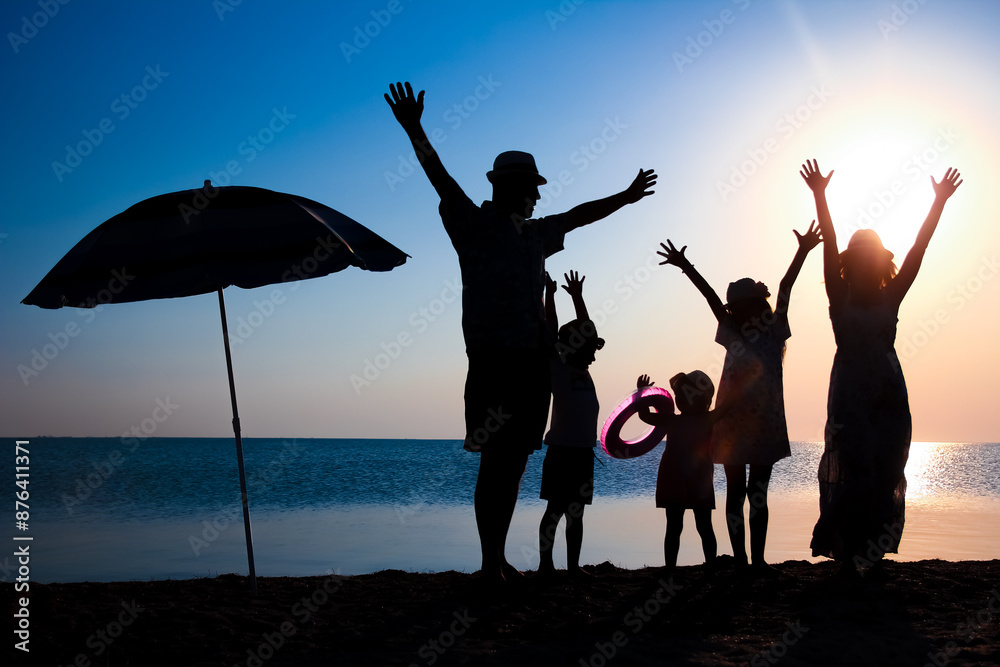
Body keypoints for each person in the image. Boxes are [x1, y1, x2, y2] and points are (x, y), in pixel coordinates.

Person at [385, 81, 656, 588]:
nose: (536, 197)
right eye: (532, 188)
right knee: (496, 463)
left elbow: (577, 217)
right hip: (494, 363)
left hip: (531, 364)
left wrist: (624, 196)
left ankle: (498, 560)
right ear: (511, 187)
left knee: (511, 467)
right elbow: (441, 180)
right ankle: (490, 563)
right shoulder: (473, 226)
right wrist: (414, 127)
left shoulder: (535, 236)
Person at [800, 159, 962, 575]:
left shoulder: (892, 296)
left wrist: (938, 202)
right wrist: (820, 195)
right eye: (859, 258)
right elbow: (831, 242)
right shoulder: (839, 296)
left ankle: (870, 550)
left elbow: (918, 249)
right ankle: (849, 549)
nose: (865, 263)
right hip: (850, 394)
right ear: (849, 264)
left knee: (886, 469)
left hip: (889, 395)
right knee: (854, 468)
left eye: (871, 257)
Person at [657, 222, 821, 574]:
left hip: (754, 425)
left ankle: (752, 560)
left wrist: (803, 252)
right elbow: (721, 298)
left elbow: (779, 289)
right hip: (749, 425)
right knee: (747, 493)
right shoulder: (755, 332)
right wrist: (687, 268)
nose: (740, 313)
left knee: (746, 493)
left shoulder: (764, 331)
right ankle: (750, 561)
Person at [538, 270, 603, 577]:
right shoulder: (559, 368)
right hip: (562, 452)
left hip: (583, 453)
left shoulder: (584, 369)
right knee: (554, 510)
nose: (594, 352)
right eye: (589, 347)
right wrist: (551, 295)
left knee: (575, 514)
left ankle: (573, 568)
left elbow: (587, 332)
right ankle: (546, 565)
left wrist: (577, 296)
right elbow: (551, 331)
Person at [636, 371, 719, 573]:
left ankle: (706, 566)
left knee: (700, 525)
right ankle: (673, 568)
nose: (681, 399)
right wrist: (642, 393)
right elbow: (645, 415)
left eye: (685, 394)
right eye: (680, 395)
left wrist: (642, 394)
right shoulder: (675, 420)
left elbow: (729, 408)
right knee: (677, 525)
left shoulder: (701, 419)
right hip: (678, 479)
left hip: (689, 479)